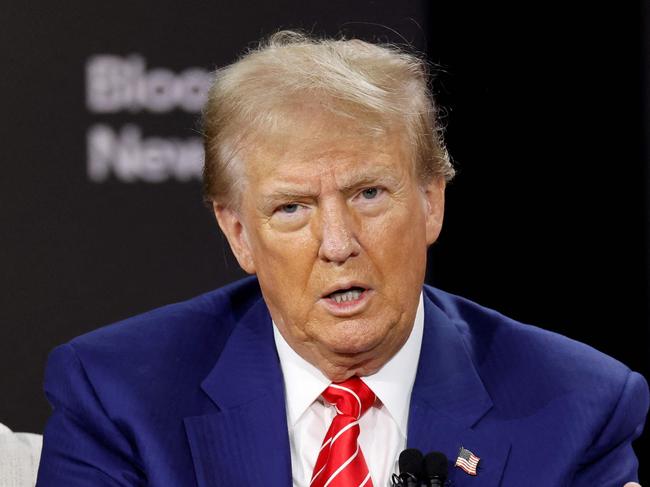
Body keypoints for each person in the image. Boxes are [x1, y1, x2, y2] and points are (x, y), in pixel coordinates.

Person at [36, 31, 648, 486]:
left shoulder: (576, 407)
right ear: (239, 233)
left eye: (368, 194)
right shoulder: (117, 400)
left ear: (432, 201)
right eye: (293, 208)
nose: (337, 243)